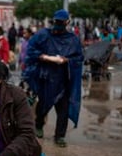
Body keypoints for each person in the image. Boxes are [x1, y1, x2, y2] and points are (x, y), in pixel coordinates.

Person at [24, 9, 84, 147]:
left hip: (64, 80)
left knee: (63, 109)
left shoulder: (72, 39)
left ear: (67, 22)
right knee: (43, 105)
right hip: (46, 77)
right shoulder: (43, 35)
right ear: (53, 21)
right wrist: (45, 57)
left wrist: (66, 60)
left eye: (61, 22)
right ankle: (38, 125)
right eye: (56, 21)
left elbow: (79, 57)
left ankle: (60, 136)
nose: (58, 24)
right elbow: (31, 50)